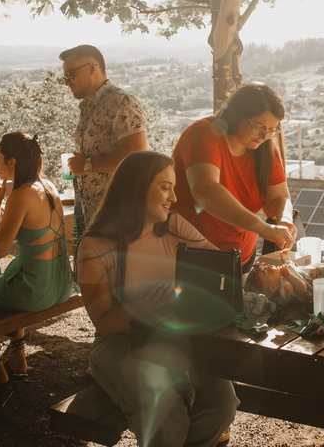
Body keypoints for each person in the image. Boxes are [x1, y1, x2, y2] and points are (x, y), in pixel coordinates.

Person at [76, 151, 237, 447]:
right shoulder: (95, 245)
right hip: (121, 342)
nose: (173, 198)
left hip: (177, 335)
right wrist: (145, 304)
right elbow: (104, 323)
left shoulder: (174, 225)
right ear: (136, 188)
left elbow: (223, 270)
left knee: (222, 403)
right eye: (165, 187)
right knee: (164, 411)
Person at [0, 132, 73, 385]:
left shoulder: (20, 195)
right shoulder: (48, 186)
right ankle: (18, 356)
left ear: (11, 162)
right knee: (6, 276)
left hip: (36, 290)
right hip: (61, 284)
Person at [171, 82, 295, 269]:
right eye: (258, 127)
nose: (264, 136)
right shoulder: (204, 133)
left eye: (272, 130)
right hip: (193, 257)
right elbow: (205, 190)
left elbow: (278, 197)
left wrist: (285, 220)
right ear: (235, 116)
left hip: (241, 257)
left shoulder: (265, 148)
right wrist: (264, 228)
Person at [61, 44, 148, 248]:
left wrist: (88, 164)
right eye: (64, 77)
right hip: (93, 216)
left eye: (70, 74)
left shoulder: (122, 102)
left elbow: (137, 157)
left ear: (92, 67)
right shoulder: (88, 107)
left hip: (119, 220)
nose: (67, 82)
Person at [246, 252, 324, 306]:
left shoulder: (284, 274)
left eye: (267, 266)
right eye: (268, 271)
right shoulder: (286, 289)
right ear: (273, 287)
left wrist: (285, 257)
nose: (269, 266)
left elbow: (292, 266)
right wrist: (287, 275)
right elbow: (302, 289)